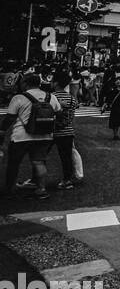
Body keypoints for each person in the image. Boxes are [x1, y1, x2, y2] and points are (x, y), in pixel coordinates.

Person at [0, 72, 63, 200]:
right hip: (44, 135)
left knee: (14, 163)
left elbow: (10, 118)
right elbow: (59, 114)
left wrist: (2, 131)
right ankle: (41, 189)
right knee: (39, 162)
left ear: (25, 84)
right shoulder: (51, 97)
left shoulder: (19, 98)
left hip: (21, 136)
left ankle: (9, 190)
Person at [49, 69, 80, 190]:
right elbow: (71, 116)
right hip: (67, 131)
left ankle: (37, 179)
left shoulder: (51, 97)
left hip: (51, 131)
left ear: (55, 83)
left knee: (41, 156)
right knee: (66, 157)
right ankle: (67, 180)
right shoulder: (72, 98)